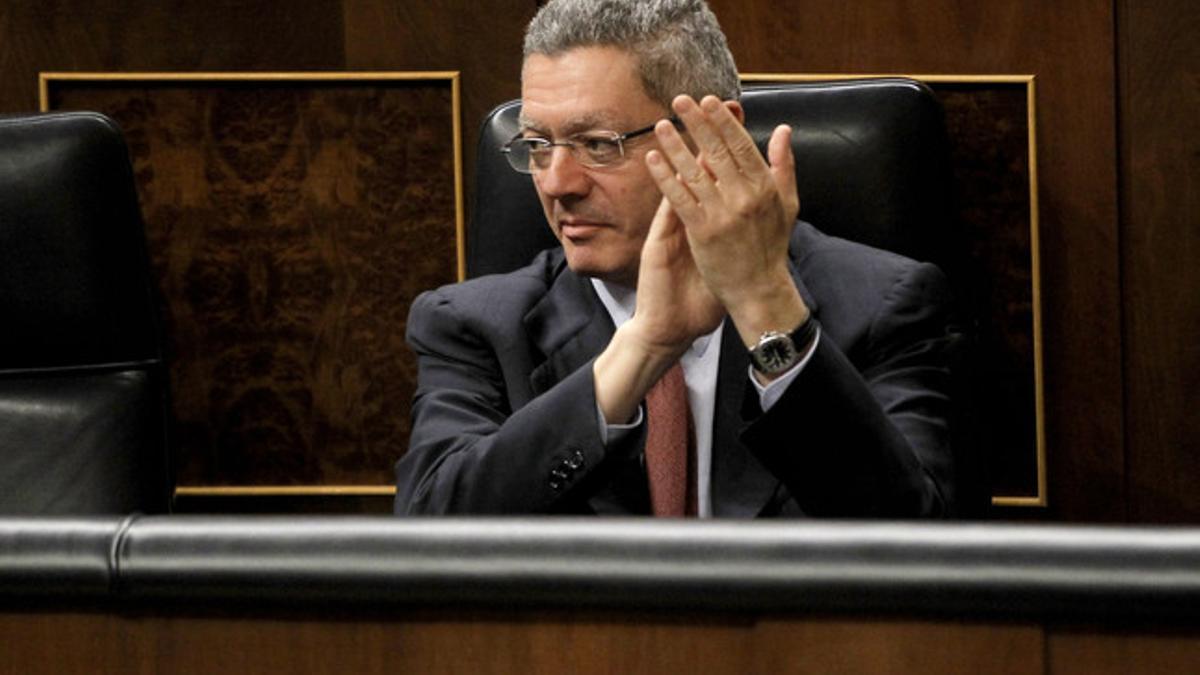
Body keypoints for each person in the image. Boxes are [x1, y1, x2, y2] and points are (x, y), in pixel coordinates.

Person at [395, 0, 958, 517]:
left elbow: (922, 546)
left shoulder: (883, 307)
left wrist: (765, 305)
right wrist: (645, 346)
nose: (557, 183)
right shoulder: (473, 327)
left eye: (597, 144)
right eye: (538, 146)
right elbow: (427, 544)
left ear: (713, 138)